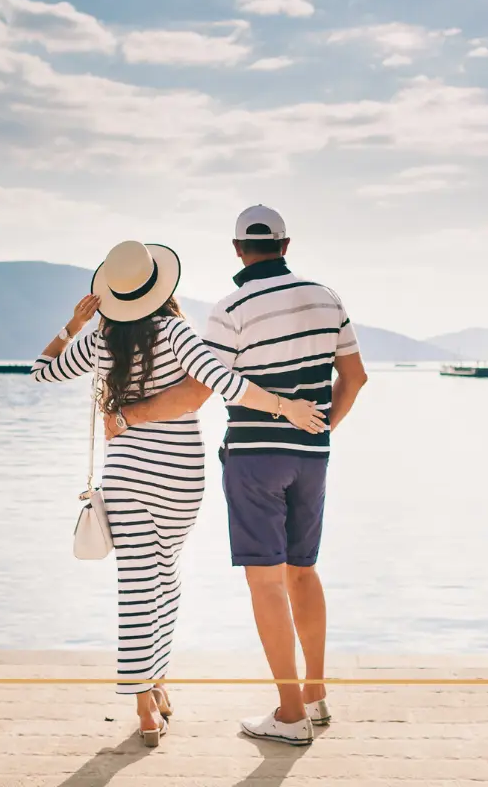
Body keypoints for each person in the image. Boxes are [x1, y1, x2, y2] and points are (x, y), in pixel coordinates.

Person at [31, 239, 326, 748]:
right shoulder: (176, 331)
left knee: (136, 586)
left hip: (123, 474)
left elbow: (42, 371)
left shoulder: (99, 341)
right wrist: (286, 407)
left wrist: (72, 325)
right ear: (160, 287)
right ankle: (155, 685)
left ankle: (147, 702)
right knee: (166, 579)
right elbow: (223, 381)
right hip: (178, 477)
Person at [108, 206, 368, 746]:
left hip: (254, 457)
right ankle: (316, 696)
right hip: (311, 456)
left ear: (236, 249)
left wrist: (130, 415)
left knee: (266, 581)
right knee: (304, 571)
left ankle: (290, 714)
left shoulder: (231, 307)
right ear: (286, 243)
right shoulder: (327, 297)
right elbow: (356, 376)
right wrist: (321, 429)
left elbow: (202, 390)